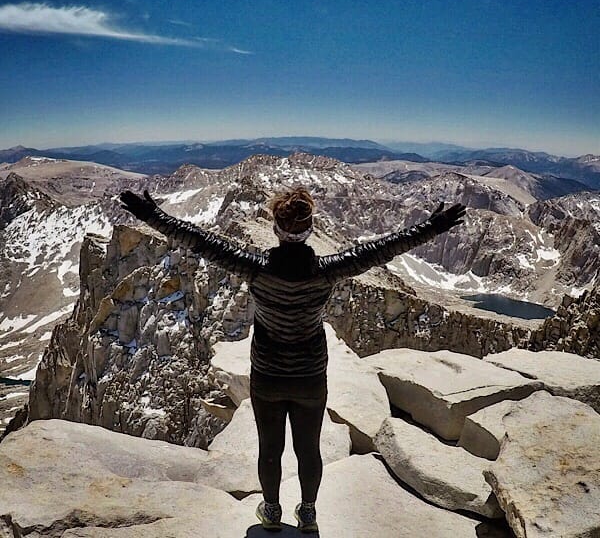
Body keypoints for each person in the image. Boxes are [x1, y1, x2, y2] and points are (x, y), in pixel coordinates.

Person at [119, 186, 466, 533]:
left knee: (270, 446)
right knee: (308, 448)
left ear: (276, 229)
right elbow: (384, 249)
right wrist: (433, 227)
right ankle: (309, 514)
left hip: (267, 375)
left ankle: (270, 512)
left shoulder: (254, 267)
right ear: (309, 228)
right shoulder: (328, 269)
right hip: (310, 376)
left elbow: (198, 241)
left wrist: (153, 215)